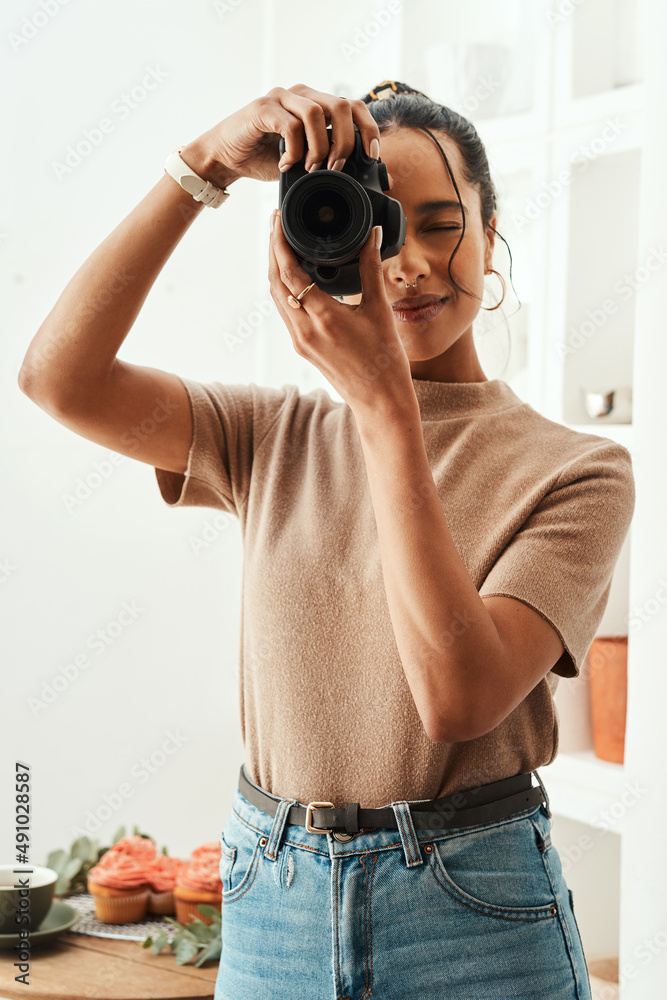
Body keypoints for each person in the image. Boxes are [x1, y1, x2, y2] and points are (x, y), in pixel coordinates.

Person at [19, 80, 634, 999]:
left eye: (439, 223)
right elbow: (57, 378)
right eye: (377, 226)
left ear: (492, 234)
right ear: (317, 237)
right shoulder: (273, 434)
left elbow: (458, 699)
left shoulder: (576, 470)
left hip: (475, 911)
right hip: (274, 898)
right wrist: (205, 164)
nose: (409, 263)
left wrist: (386, 407)